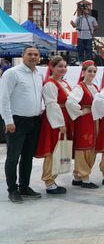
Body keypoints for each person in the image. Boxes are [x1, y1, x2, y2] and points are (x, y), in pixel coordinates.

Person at [0, 46, 43, 203]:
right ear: (23, 56)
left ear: (39, 57)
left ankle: (24, 187)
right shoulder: (12, 73)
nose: (33, 57)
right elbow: (3, 98)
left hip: (34, 121)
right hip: (17, 122)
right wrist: (8, 120)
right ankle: (12, 189)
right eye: (29, 54)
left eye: (36, 54)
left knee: (27, 157)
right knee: (13, 157)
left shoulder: (38, 74)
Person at [34, 56, 72, 195]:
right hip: (54, 120)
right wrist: (60, 124)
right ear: (52, 67)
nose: (63, 69)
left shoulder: (62, 83)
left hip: (62, 117)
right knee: (51, 151)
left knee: (58, 151)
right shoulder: (50, 84)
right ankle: (49, 181)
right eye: (60, 66)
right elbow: (52, 105)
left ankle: (52, 179)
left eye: (64, 66)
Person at [66, 60, 100, 188]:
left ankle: (78, 176)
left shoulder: (94, 87)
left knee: (91, 146)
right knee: (83, 147)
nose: (92, 73)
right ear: (83, 72)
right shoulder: (79, 87)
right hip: (84, 121)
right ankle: (84, 177)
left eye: (94, 71)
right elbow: (70, 102)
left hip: (93, 119)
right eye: (89, 71)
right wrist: (81, 112)